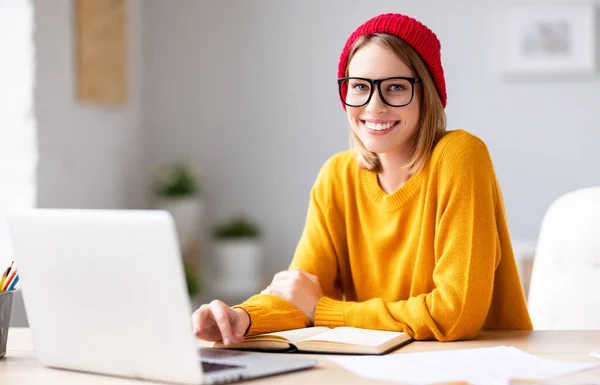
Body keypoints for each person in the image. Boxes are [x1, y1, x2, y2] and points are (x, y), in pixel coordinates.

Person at [192, 12, 533, 345]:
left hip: (479, 369)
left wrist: (324, 311)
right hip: (380, 369)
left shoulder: (459, 156)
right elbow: (300, 293)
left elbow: (454, 315)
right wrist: (242, 319)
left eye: (396, 87)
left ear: (426, 93)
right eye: (359, 87)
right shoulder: (337, 175)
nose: (374, 106)